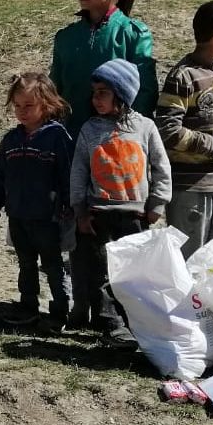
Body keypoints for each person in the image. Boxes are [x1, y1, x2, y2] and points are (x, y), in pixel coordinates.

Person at [70, 59, 171, 346]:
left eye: (103, 91)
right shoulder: (90, 130)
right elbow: (79, 171)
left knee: (133, 274)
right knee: (102, 273)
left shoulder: (145, 128)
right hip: (99, 214)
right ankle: (111, 326)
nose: (95, 98)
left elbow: (162, 168)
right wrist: (80, 210)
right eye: (94, 92)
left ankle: (135, 324)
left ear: (122, 94)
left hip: (135, 216)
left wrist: (157, 205)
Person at [157, 1, 213, 260]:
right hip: (191, 187)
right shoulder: (183, 77)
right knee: (190, 257)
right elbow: (169, 130)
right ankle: (188, 302)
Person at [0, 71, 75, 329]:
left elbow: (68, 174)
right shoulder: (11, 140)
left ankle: (61, 310)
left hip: (48, 218)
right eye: (17, 106)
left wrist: (70, 205)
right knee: (25, 263)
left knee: (53, 266)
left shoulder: (57, 137)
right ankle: (28, 306)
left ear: (46, 104)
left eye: (29, 106)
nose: (22, 112)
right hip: (18, 214)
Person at [50, 0, 158, 132]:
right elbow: (54, 91)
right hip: (72, 140)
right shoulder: (65, 38)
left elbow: (145, 93)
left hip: (118, 140)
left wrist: (129, 134)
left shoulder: (133, 34)